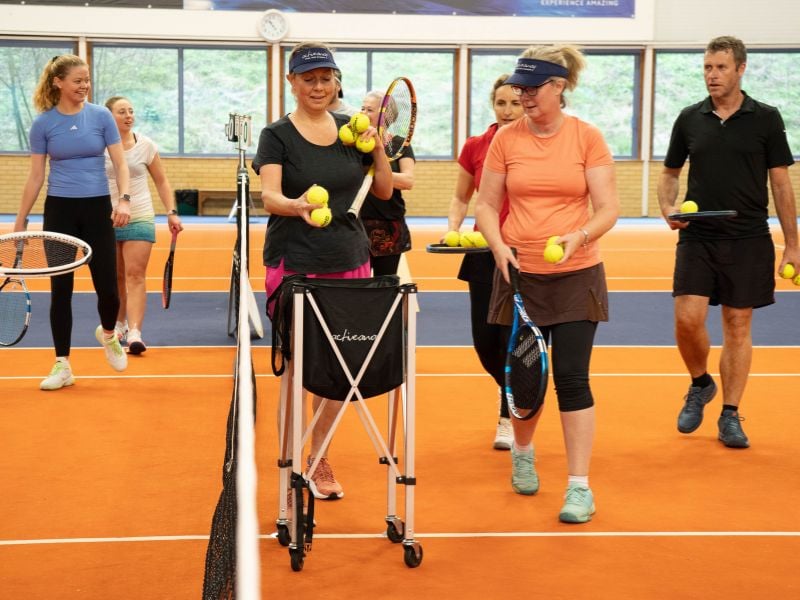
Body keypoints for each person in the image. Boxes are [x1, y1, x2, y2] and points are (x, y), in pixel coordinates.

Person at [475, 45, 619, 524]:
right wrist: (497, 247)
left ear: (559, 87)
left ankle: (580, 487)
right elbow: (485, 205)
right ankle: (523, 450)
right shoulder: (505, 140)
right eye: (520, 88)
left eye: (533, 88)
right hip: (519, 277)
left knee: (573, 379)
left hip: (578, 275)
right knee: (526, 377)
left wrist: (578, 236)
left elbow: (607, 209)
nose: (524, 96)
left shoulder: (587, 138)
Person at [252, 42, 392, 500]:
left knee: (340, 370)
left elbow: (385, 192)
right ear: (292, 83)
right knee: (296, 371)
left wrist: (380, 147)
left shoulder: (352, 130)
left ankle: (318, 456)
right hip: (296, 264)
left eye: (325, 78)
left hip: (351, 260)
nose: (318, 86)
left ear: (336, 82)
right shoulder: (277, 135)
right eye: (308, 78)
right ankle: (290, 466)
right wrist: (296, 207)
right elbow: (268, 197)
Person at [657, 36, 799, 449]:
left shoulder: (766, 119)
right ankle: (701, 383)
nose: (712, 75)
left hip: (749, 237)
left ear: (741, 69)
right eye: (707, 67)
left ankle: (731, 414)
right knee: (687, 319)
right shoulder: (689, 118)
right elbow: (669, 173)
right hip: (698, 235)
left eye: (720, 67)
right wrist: (668, 207)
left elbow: (781, 184)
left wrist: (793, 244)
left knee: (738, 326)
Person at [14, 54, 131, 390]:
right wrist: (21, 219)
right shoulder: (44, 124)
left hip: (97, 209)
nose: (84, 86)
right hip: (60, 211)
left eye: (87, 80)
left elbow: (121, 164)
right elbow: (36, 176)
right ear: (58, 83)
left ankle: (108, 333)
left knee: (107, 288)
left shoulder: (101, 117)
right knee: (60, 290)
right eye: (78, 80)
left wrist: (123, 199)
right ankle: (62, 364)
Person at [446, 74, 524, 451]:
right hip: (482, 251)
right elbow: (461, 198)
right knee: (484, 342)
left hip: (524, 252)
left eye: (515, 103)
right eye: (501, 103)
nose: (508, 111)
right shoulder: (476, 146)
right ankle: (511, 392)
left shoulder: (537, 145)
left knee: (513, 339)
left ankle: (509, 414)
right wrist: (452, 229)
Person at [103, 96, 184, 355]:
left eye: (131, 111)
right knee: (115, 278)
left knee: (135, 275)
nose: (129, 116)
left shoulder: (146, 145)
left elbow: (161, 181)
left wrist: (171, 212)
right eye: (121, 112)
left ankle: (135, 332)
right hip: (107, 219)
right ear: (108, 117)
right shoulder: (98, 145)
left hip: (139, 215)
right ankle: (119, 324)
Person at [359, 89, 416, 276]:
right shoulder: (353, 145)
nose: (363, 114)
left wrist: (372, 172)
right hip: (357, 225)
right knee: (355, 287)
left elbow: (407, 181)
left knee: (386, 286)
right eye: (362, 108)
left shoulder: (399, 145)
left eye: (369, 110)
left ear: (385, 116)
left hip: (390, 224)